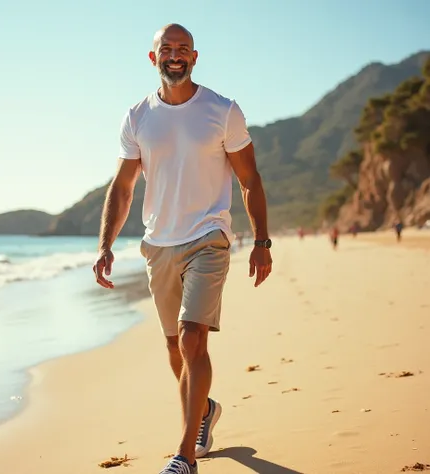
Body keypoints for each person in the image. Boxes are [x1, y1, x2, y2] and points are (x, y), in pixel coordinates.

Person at [92, 24, 272, 474]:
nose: (175, 56)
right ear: (153, 59)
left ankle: (185, 456)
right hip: (158, 244)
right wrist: (105, 245)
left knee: (194, 338)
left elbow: (249, 180)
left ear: (195, 57)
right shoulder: (137, 117)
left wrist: (261, 241)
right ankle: (205, 411)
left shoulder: (222, 110)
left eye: (183, 49)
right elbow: (123, 186)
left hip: (208, 237)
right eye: (166, 49)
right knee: (175, 347)